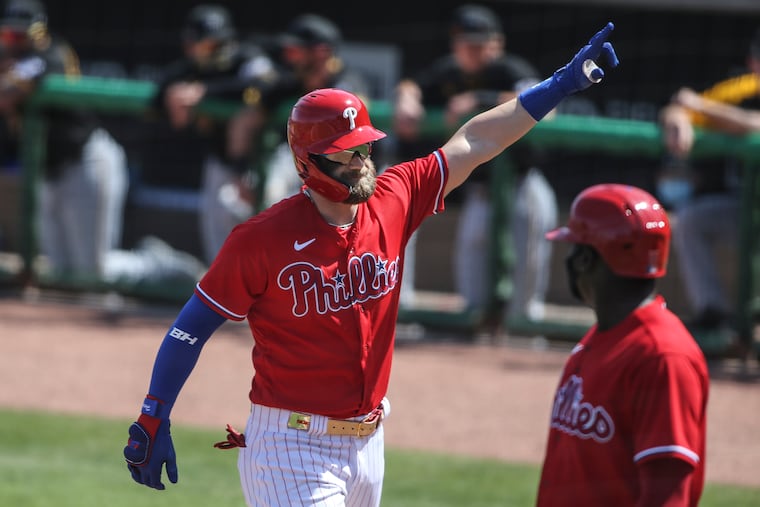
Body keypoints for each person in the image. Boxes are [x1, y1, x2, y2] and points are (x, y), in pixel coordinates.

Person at [122, 23, 619, 506]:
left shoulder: (395, 196)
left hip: (369, 444)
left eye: (363, 147)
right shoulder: (260, 240)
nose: (360, 161)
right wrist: (154, 414)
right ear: (306, 164)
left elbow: (476, 141)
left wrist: (560, 85)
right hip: (291, 447)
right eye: (344, 154)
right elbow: (190, 328)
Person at [535, 183, 709, 506]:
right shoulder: (602, 338)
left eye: (574, 249)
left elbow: (667, 498)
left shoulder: (662, 357)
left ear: (587, 259)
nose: (569, 260)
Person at [393, 3, 557, 329]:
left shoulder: (509, 69)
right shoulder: (448, 72)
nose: (471, 51)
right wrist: (406, 97)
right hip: (481, 191)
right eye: (465, 43)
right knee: (471, 278)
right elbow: (413, 84)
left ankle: (525, 338)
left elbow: (545, 105)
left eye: (479, 43)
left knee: (524, 283)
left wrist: (480, 99)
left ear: (496, 43)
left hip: (522, 186)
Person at [0, 0, 128, 280]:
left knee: (91, 270)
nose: (15, 41)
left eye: (22, 35)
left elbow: (7, 92)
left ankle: (158, 269)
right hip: (47, 169)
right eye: (9, 35)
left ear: (38, 32)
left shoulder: (52, 53)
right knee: (57, 270)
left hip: (85, 161)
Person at [150, 4, 280, 265]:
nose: (197, 51)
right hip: (222, 160)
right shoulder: (192, 68)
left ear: (221, 42)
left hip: (266, 158)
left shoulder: (246, 58)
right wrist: (173, 92)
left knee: (271, 225)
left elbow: (267, 84)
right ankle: (222, 297)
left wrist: (205, 92)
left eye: (206, 45)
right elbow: (159, 90)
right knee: (217, 230)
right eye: (194, 45)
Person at [657, 28, 760, 333]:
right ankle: (712, 312)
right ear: (752, 62)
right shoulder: (741, 90)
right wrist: (676, 116)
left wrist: (699, 108)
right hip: (745, 208)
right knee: (691, 220)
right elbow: (680, 104)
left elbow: (756, 124)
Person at [257, 12, 374, 210]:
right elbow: (255, 108)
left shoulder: (347, 85)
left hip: (344, 165)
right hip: (303, 163)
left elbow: (360, 123)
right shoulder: (289, 82)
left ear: (321, 53)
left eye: (296, 52)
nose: (290, 59)